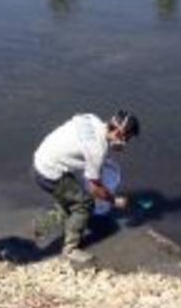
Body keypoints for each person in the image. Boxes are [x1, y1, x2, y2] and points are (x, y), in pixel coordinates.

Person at [32, 110, 140, 263]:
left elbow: (86, 141)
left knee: (70, 198)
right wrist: (114, 201)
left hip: (41, 159)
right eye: (127, 138)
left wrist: (111, 143)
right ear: (119, 133)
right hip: (48, 173)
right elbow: (94, 188)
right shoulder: (97, 150)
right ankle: (70, 250)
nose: (126, 142)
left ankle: (43, 225)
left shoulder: (90, 118)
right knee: (84, 203)